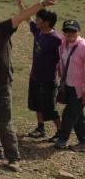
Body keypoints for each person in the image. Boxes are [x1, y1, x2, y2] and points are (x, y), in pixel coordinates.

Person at [0, 0, 59, 172]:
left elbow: (22, 16)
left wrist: (41, 4)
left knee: (5, 122)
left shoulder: (2, 29)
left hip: (0, 85)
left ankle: (13, 158)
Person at [16, 0, 62, 140]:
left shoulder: (57, 40)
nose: (36, 21)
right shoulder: (38, 31)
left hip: (48, 79)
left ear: (47, 22)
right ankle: (41, 128)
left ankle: (60, 132)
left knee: (50, 108)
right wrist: (20, 4)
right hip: (35, 76)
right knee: (36, 104)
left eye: (39, 19)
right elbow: (26, 17)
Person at [54, 19, 85, 152]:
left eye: (73, 31)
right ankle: (83, 141)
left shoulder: (83, 47)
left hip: (80, 89)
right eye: (67, 31)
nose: (70, 33)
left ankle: (62, 140)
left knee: (68, 114)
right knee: (77, 116)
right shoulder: (62, 43)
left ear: (79, 31)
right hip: (67, 85)